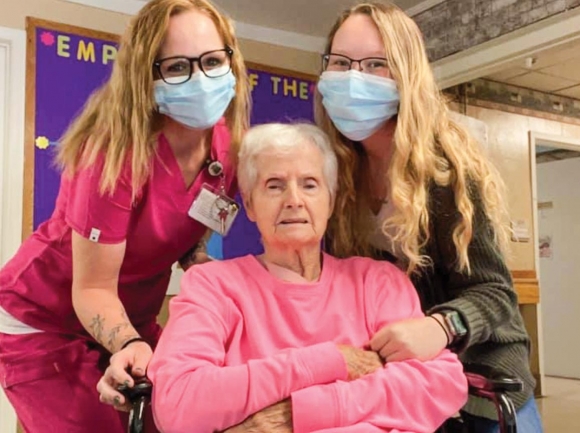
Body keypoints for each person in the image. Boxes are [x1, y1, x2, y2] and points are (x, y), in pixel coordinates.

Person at [99, 123, 468, 433]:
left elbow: (441, 384)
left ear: (331, 198)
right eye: (274, 185)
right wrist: (329, 361)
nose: (293, 200)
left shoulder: (377, 281)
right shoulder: (214, 285)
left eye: (309, 184)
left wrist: (297, 413)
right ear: (249, 203)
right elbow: (179, 405)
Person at [0, 0, 250, 431]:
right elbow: (93, 287)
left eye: (212, 61)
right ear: (146, 75)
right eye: (176, 68)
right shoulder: (113, 155)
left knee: (181, 416)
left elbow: (189, 232)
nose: (201, 78)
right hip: (44, 320)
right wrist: (130, 342)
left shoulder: (228, 150)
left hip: (131, 321)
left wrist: (206, 273)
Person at [315, 2, 542, 432]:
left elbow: (494, 293)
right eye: (341, 63)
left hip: (484, 383)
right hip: (404, 386)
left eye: (375, 65)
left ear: (405, 75)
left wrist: (441, 325)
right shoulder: (336, 176)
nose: (352, 78)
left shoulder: (445, 171)